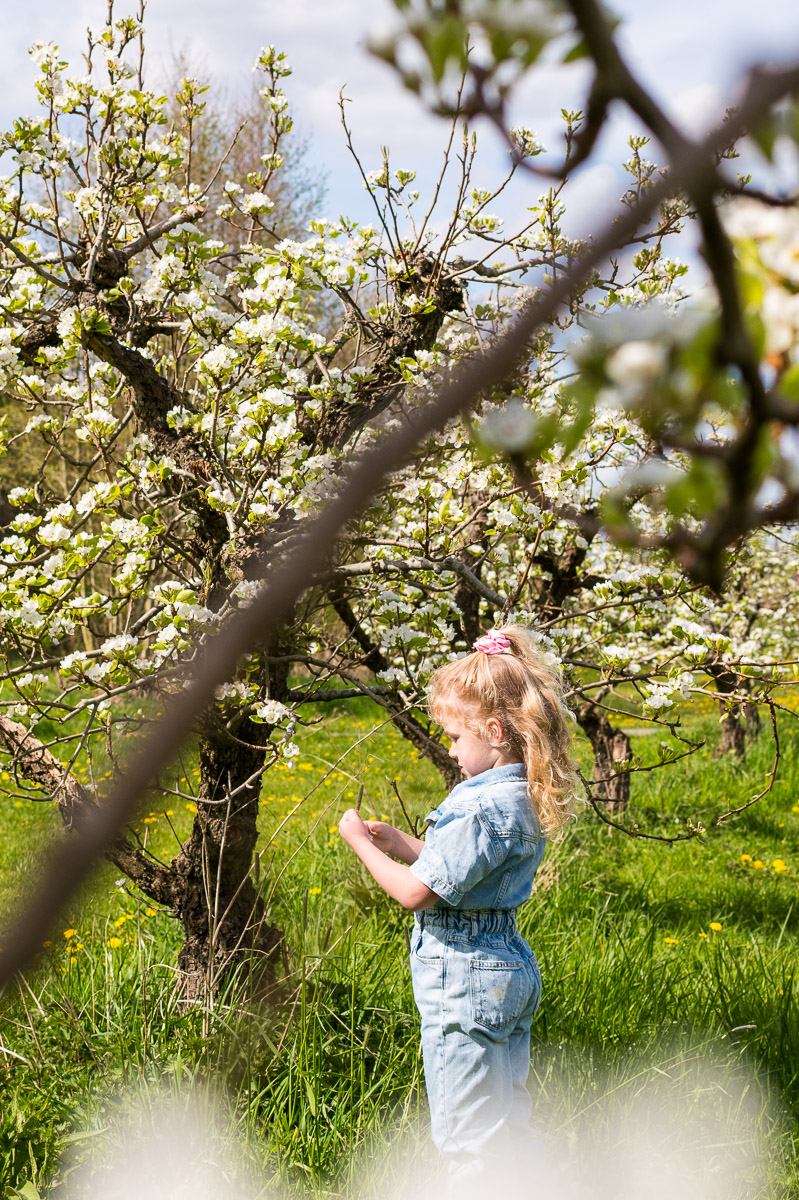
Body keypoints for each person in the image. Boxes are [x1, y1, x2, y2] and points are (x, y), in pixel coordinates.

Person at [338, 625, 578, 1193]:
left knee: (467, 1136)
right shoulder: (522, 793)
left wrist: (359, 842)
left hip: (465, 979)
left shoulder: (478, 806)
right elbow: (464, 874)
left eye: (452, 736)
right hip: (508, 969)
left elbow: (417, 893)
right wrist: (407, 845)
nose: (447, 749)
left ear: (493, 731)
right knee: (508, 1123)